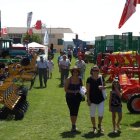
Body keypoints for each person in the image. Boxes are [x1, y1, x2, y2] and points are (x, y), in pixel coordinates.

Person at [86, 65, 106, 134]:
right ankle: (94, 127)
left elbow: (105, 86)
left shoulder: (101, 77)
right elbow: (87, 90)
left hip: (100, 99)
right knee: (92, 114)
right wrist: (88, 99)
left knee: (101, 113)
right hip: (92, 99)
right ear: (92, 71)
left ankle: (99, 125)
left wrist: (102, 87)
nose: (96, 72)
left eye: (97, 70)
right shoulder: (89, 79)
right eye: (94, 70)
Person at [64, 66, 83, 132]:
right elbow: (65, 89)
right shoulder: (68, 79)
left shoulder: (80, 79)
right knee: (72, 111)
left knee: (76, 111)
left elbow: (81, 87)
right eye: (74, 71)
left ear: (78, 72)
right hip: (70, 97)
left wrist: (84, 91)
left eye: (77, 71)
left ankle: (74, 125)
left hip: (78, 97)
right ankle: (73, 125)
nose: (75, 73)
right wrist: (74, 91)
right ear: (72, 72)